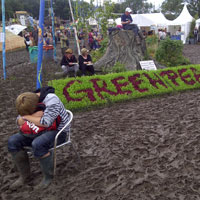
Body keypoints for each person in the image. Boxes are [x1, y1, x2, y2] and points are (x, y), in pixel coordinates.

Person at [7, 87, 71, 189]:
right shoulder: (26, 100)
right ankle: (24, 177)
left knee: (38, 143)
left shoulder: (51, 99)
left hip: (58, 131)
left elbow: (46, 122)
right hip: (37, 130)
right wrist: (29, 116)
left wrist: (27, 117)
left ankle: (48, 177)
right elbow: (18, 121)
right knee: (13, 141)